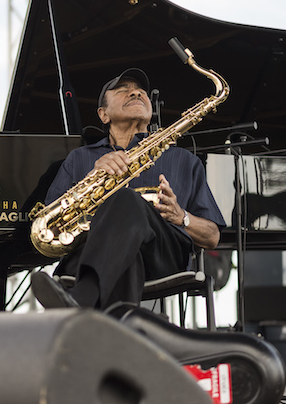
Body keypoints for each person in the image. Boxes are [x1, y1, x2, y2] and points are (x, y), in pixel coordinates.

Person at [31, 68, 226, 313]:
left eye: (140, 91)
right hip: (91, 253)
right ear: (103, 114)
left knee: (128, 199)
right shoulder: (79, 159)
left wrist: (181, 216)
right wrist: (93, 177)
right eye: (122, 90)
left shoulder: (184, 160)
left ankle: (81, 300)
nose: (135, 92)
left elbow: (212, 237)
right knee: (127, 256)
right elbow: (50, 229)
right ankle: (124, 337)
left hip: (161, 257)